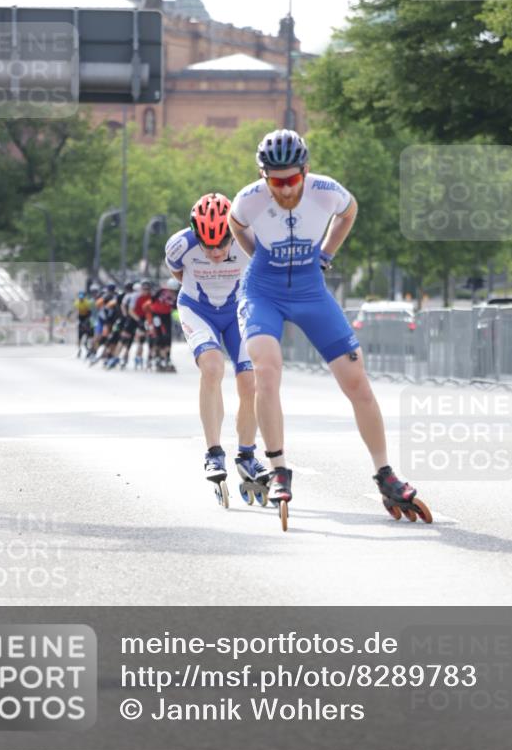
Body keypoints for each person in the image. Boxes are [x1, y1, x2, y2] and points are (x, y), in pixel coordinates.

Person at [228, 129, 429, 519]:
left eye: (291, 180)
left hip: (310, 290)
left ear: (306, 170)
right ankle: (279, 468)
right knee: (266, 372)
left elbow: (349, 211)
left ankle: (385, 474)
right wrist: (257, 256)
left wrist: (326, 253)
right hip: (262, 293)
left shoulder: (325, 190)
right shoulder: (249, 199)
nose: (284, 190)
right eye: (275, 181)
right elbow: (237, 226)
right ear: (262, 176)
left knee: (357, 382)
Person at [165, 192, 267, 492]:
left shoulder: (252, 238)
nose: (216, 253)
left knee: (250, 382)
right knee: (211, 368)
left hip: (238, 310)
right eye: (208, 247)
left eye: (222, 245)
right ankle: (213, 452)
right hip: (198, 309)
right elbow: (178, 273)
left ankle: (247, 455)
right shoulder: (179, 246)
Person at [72, 290, 94, 356]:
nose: (81, 299)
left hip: (87, 318)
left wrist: (87, 321)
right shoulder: (77, 303)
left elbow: (90, 313)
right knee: (79, 337)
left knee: (90, 336)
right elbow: (76, 311)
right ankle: (79, 350)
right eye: (80, 297)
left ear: (84, 297)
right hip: (81, 319)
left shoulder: (87, 303)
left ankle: (89, 348)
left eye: (82, 297)